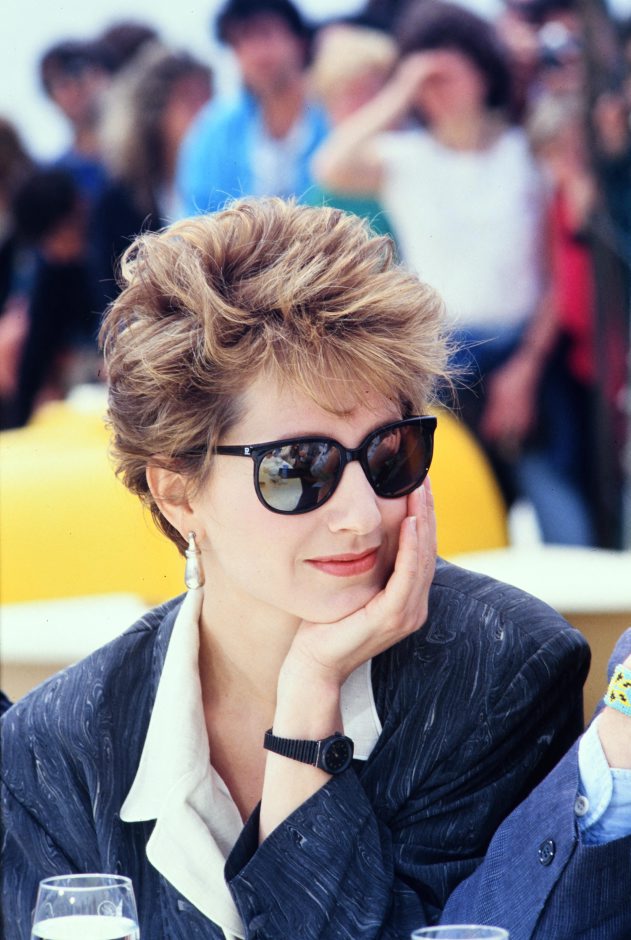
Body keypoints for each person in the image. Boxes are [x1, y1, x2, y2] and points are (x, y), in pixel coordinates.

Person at [1, 198, 630, 940]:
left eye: (390, 452)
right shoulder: (54, 750)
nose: (362, 515)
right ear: (177, 493)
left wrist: (307, 708)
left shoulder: (498, 670)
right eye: (298, 468)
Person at [313, 0, 596, 545]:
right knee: (453, 512)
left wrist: (526, 368)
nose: (438, 87)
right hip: (441, 357)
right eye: (427, 75)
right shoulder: (404, 157)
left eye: (451, 71)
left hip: (528, 353)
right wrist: (403, 86)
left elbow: (556, 272)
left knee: (558, 506)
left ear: (482, 69)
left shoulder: (526, 153)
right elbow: (330, 164)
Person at [176, 0, 328, 215]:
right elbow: (193, 216)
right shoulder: (215, 131)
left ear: (299, 41)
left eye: (265, 34)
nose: (256, 53)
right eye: (241, 41)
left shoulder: (337, 114)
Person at [93, 44, 213, 305]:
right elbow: (112, 301)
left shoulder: (229, 180)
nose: (205, 110)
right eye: (188, 99)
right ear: (153, 113)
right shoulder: (117, 204)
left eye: (208, 96)